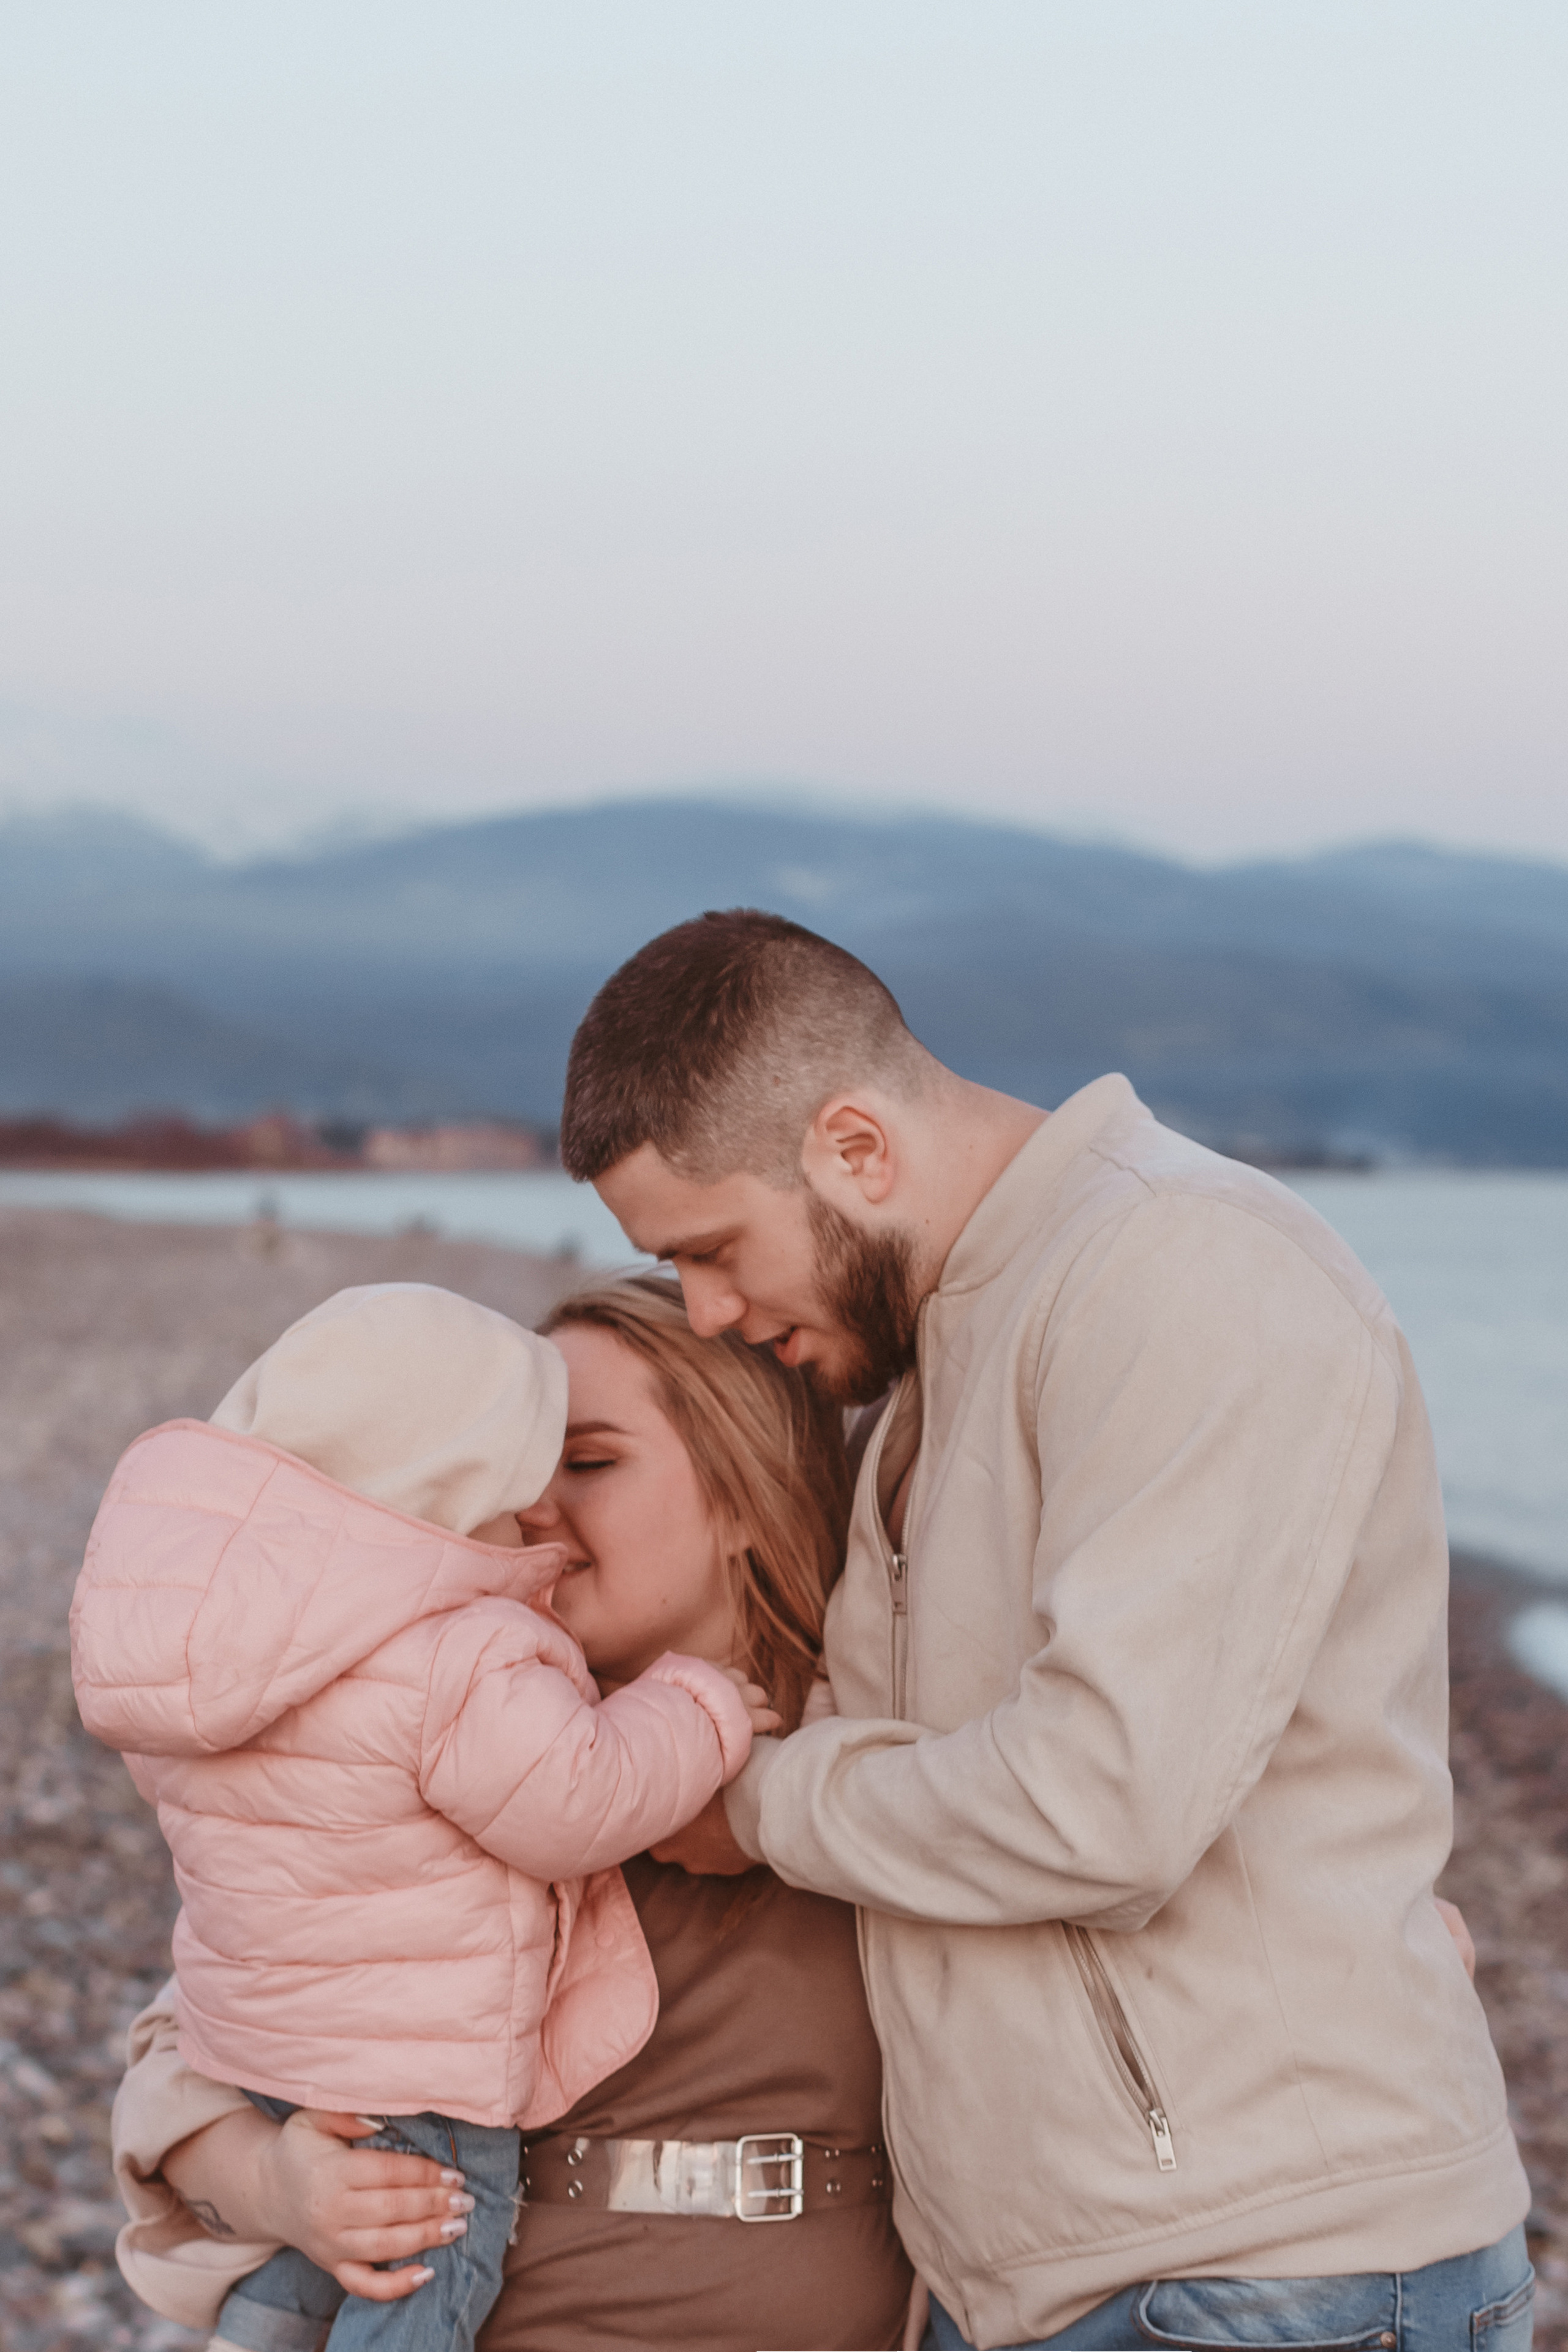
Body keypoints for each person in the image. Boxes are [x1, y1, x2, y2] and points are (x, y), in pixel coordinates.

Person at [554, 908, 1535, 2352]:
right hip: (1069, 2279)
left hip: (1259, 2269)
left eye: (713, 1250)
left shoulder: (1180, 1272)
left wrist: (751, 1798)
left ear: (854, 1149)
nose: (702, 1313)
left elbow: (1103, 1802)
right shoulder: (943, 1352)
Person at [107, 1274, 918, 2352]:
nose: (534, 1506)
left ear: (743, 1490)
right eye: (518, 1467)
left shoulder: (888, 1768)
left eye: (587, 1462)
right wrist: (274, 2185)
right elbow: (191, 2050)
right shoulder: (444, 1755)